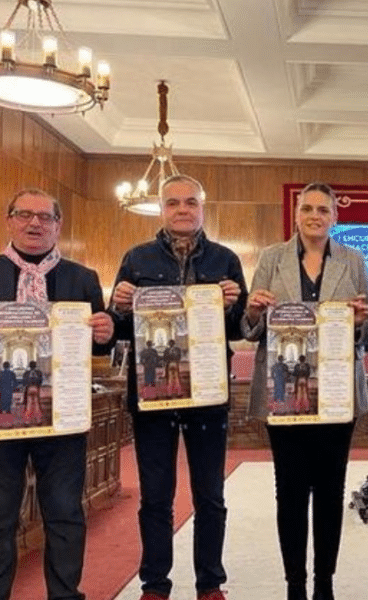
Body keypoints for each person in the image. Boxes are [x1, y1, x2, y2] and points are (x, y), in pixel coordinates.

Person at [0, 188, 114, 600]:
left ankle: (66, 595)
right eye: (24, 215)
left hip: (63, 418)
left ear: (58, 225)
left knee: (66, 516)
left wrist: (106, 333)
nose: (34, 223)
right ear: (9, 220)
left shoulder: (81, 278)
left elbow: (98, 343)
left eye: (44, 217)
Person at [110, 174, 246, 600]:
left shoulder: (225, 258)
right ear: (162, 209)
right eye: (173, 203)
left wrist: (234, 302)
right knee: (155, 496)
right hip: (152, 392)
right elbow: (117, 330)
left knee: (211, 495)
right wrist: (115, 306)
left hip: (208, 392)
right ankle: (155, 583)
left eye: (191, 202)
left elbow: (238, 329)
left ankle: (210, 584)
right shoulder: (136, 258)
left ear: (202, 209)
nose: (183, 209)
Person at [243, 181, 368, 600]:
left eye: (323, 210)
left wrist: (358, 321)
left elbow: (365, 330)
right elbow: (251, 328)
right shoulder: (271, 258)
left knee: (331, 490)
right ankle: (295, 584)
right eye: (307, 209)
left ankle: (325, 585)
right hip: (285, 391)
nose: (315, 216)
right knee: (291, 490)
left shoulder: (353, 260)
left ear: (335, 217)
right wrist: (254, 309)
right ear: (297, 215)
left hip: (336, 392)